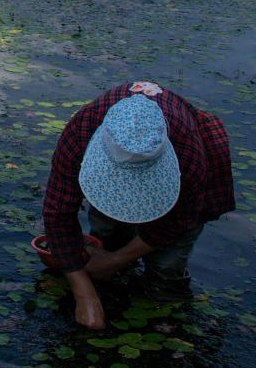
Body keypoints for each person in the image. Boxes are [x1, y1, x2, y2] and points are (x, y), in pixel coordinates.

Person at [39, 81, 236, 331]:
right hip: (97, 139)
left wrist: (113, 262)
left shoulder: (188, 151)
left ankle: (162, 305)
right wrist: (84, 293)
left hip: (185, 168)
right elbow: (58, 213)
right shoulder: (81, 131)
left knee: (166, 268)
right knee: (109, 236)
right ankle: (111, 272)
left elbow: (178, 222)